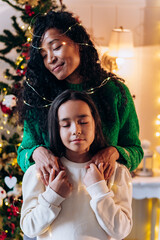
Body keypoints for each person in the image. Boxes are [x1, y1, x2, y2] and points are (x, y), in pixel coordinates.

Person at [17, 10, 142, 239]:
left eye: (55, 47)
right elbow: (24, 151)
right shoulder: (39, 97)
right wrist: (37, 153)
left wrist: (114, 152)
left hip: (100, 206)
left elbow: (134, 149)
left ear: (78, 42)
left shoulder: (115, 93)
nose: (50, 59)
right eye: (43, 55)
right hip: (51, 216)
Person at [20, 90, 133, 240]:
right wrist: (53, 196)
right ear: (57, 129)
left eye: (83, 122)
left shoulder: (116, 171)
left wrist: (98, 189)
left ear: (95, 123)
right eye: (66, 125)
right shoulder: (40, 172)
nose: (76, 131)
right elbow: (29, 228)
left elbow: (121, 231)